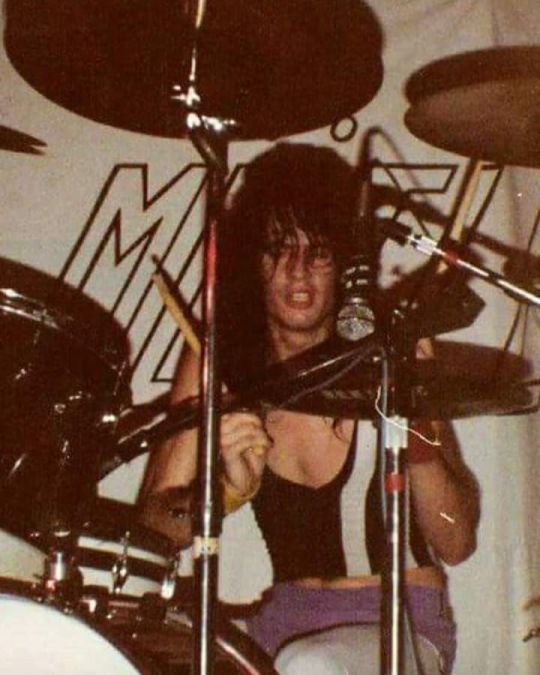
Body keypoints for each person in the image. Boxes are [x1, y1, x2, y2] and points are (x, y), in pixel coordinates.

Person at [139, 142, 480, 674]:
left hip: (398, 622)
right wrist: (225, 493)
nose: (298, 271)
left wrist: (412, 422)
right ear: (253, 260)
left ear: (343, 262)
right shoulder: (218, 360)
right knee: (138, 651)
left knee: (310, 666)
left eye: (317, 252)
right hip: (281, 621)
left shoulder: (388, 351)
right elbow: (155, 528)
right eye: (278, 249)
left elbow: (455, 542)